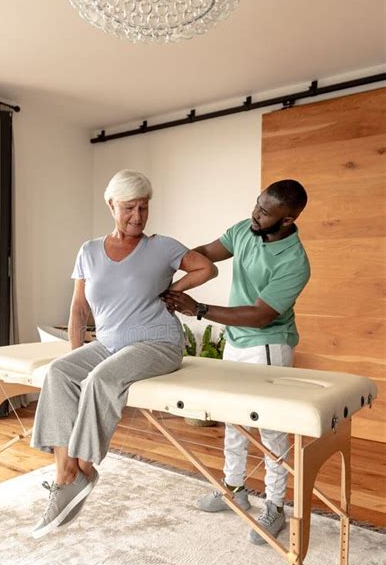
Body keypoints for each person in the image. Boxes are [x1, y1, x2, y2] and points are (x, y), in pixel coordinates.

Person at [31, 169, 217, 539]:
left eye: (144, 208)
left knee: (101, 379)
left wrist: (174, 290)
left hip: (158, 342)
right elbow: (78, 311)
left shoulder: (161, 247)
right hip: (109, 342)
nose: (137, 216)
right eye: (129, 208)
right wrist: (75, 357)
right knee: (58, 372)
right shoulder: (88, 251)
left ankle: (82, 469)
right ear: (111, 205)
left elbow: (206, 267)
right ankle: (64, 475)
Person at [162, 180, 310, 545]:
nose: (254, 215)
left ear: (287, 220)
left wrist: (198, 309)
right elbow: (202, 254)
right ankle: (233, 489)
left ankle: (275, 505)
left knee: (271, 430)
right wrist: (168, 276)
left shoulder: (295, 262)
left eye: (264, 212)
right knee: (232, 420)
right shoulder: (245, 229)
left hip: (268, 347)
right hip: (236, 342)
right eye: (256, 205)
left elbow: (261, 315)